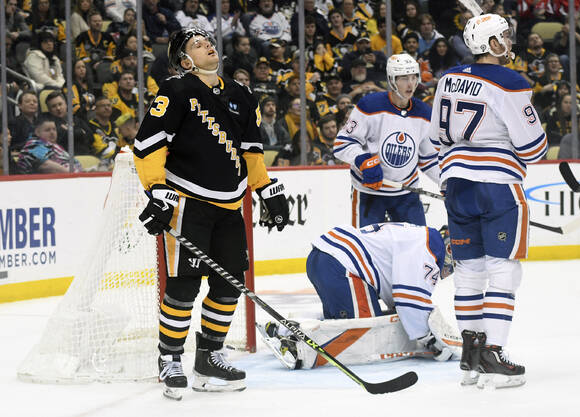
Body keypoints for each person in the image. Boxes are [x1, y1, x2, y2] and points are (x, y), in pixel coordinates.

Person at [133, 27, 289, 398]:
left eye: (208, 42)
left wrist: (267, 190)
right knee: (184, 285)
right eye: (197, 45)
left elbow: (251, 151)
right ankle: (169, 357)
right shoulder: (176, 90)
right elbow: (147, 145)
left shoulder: (241, 94)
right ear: (185, 61)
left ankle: (209, 357)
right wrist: (156, 191)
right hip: (188, 203)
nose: (208, 46)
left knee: (229, 283)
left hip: (231, 205)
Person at [427, 14, 547, 389]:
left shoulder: (447, 78)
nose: (509, 42)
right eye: (503, 37)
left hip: (456, 183)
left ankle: (471, 354)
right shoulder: (510, 81)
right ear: (491, 43)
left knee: (468, 271)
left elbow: (435, 139)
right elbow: (534, 147)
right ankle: (493, 351)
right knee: (503, 270)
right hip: (496, 184)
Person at [257, 222, 458, 369]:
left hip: (325, 259)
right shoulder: (430, 250)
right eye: (454, 264)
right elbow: (409, 300)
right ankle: (296, 346)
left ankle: (285, 327)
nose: (449, 271)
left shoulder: (419, 236)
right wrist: (429, 339)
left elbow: (399, 298)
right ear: (450, 249)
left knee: (337, 321)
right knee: (365, 332)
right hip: (341, 266)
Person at [334, 53, 438, 228]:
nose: (411, 84)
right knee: (365, 249)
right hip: (369, 193)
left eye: (414, 77)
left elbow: (428, 159)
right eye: (404, 78)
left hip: (406, 194)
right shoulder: (369, 106)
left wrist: (447, 182)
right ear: (391, 80)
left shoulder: (424, 113)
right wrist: (362, 160)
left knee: (416, 248)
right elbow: (342, 144)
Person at [16, 115, 83, 174]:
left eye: (54, 129)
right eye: (47, 130)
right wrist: (75, 175)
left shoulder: (54, 145)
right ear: (37, 132)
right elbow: (45, 166)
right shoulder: (33, 145)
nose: (52, 133)